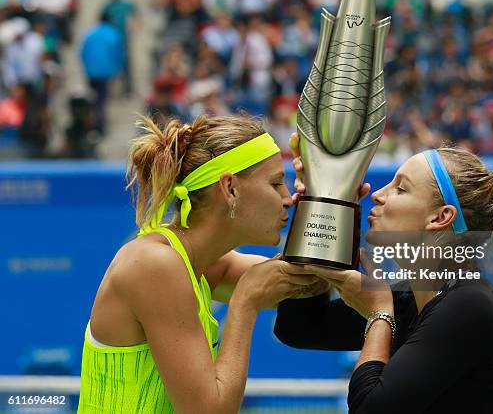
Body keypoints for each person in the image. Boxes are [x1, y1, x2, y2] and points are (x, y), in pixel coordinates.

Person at [274, 134, 493, 414]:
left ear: (440, 217)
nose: (377, 194)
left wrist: (379, 314)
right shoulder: (412, 297)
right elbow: (300, 329)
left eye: (400, 189)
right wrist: (322, 204)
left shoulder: (471, 304)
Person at [78, 115, 321, 413]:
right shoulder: (154, 265)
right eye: (276, 184)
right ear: (230, 188)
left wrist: (323, 198)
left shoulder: (204, 264)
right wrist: (245, 302)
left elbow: (311, 283)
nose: (289, 198)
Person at [79, 11, 124, 135]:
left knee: (95, 98)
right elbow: (118, 54)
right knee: (101, 99)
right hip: (106, 72)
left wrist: (87, 68)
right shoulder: (114, 33)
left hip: (92, 72)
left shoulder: (90, 33)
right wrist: (118, 69)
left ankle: (94, 123)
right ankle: (100, 125)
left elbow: (83, 52)